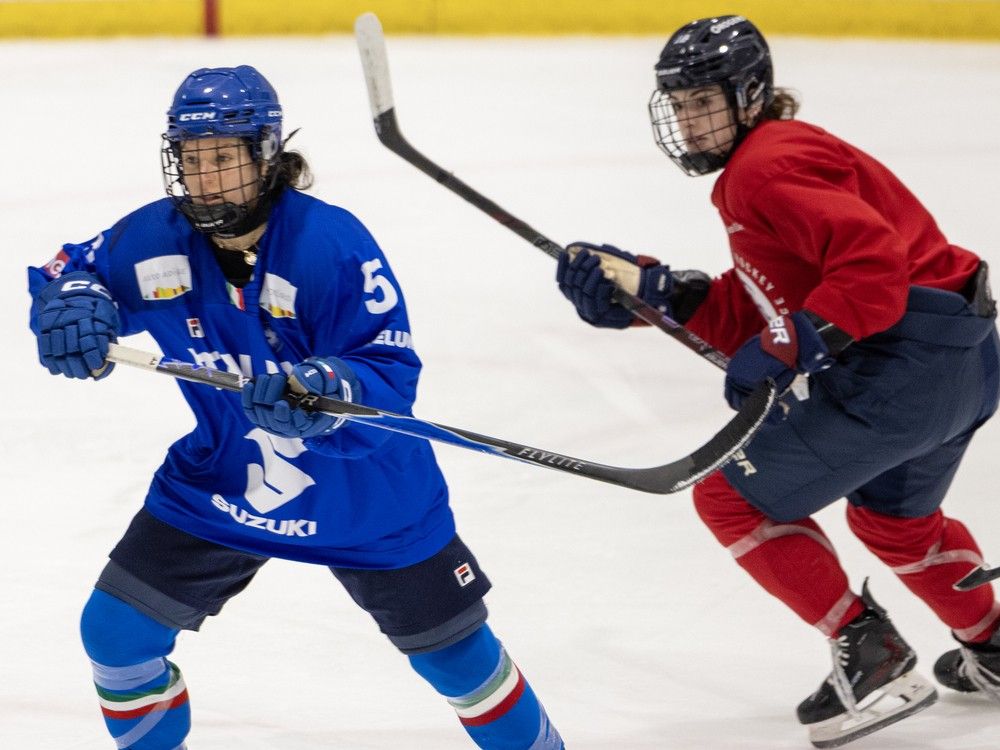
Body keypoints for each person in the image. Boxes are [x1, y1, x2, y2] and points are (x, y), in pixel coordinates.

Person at [28, 65, 563, 750]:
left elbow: (387, 369)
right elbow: (72, 268)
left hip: (369, 497)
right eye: (191, 160)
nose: (206, 177)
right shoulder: (155, 237)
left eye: (223, 158)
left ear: (266, 154)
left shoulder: (328, 244)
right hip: (225, 479)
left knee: (458, 660)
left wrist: (328, 392)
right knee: (115, 632)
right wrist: (74, 304)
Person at [555, 15, 1000, 748]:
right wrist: (649, 293)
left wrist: (790, 344)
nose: (690, 122)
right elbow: (763, 301)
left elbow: (872, 270)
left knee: (729, 499)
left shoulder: (765, 166)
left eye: (704, 103)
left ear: (750, 93)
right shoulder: (770, 161)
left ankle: (874, 659)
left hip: (905, 367)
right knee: (894, 521)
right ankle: (992, 643)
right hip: (961, 357)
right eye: (680, 106)